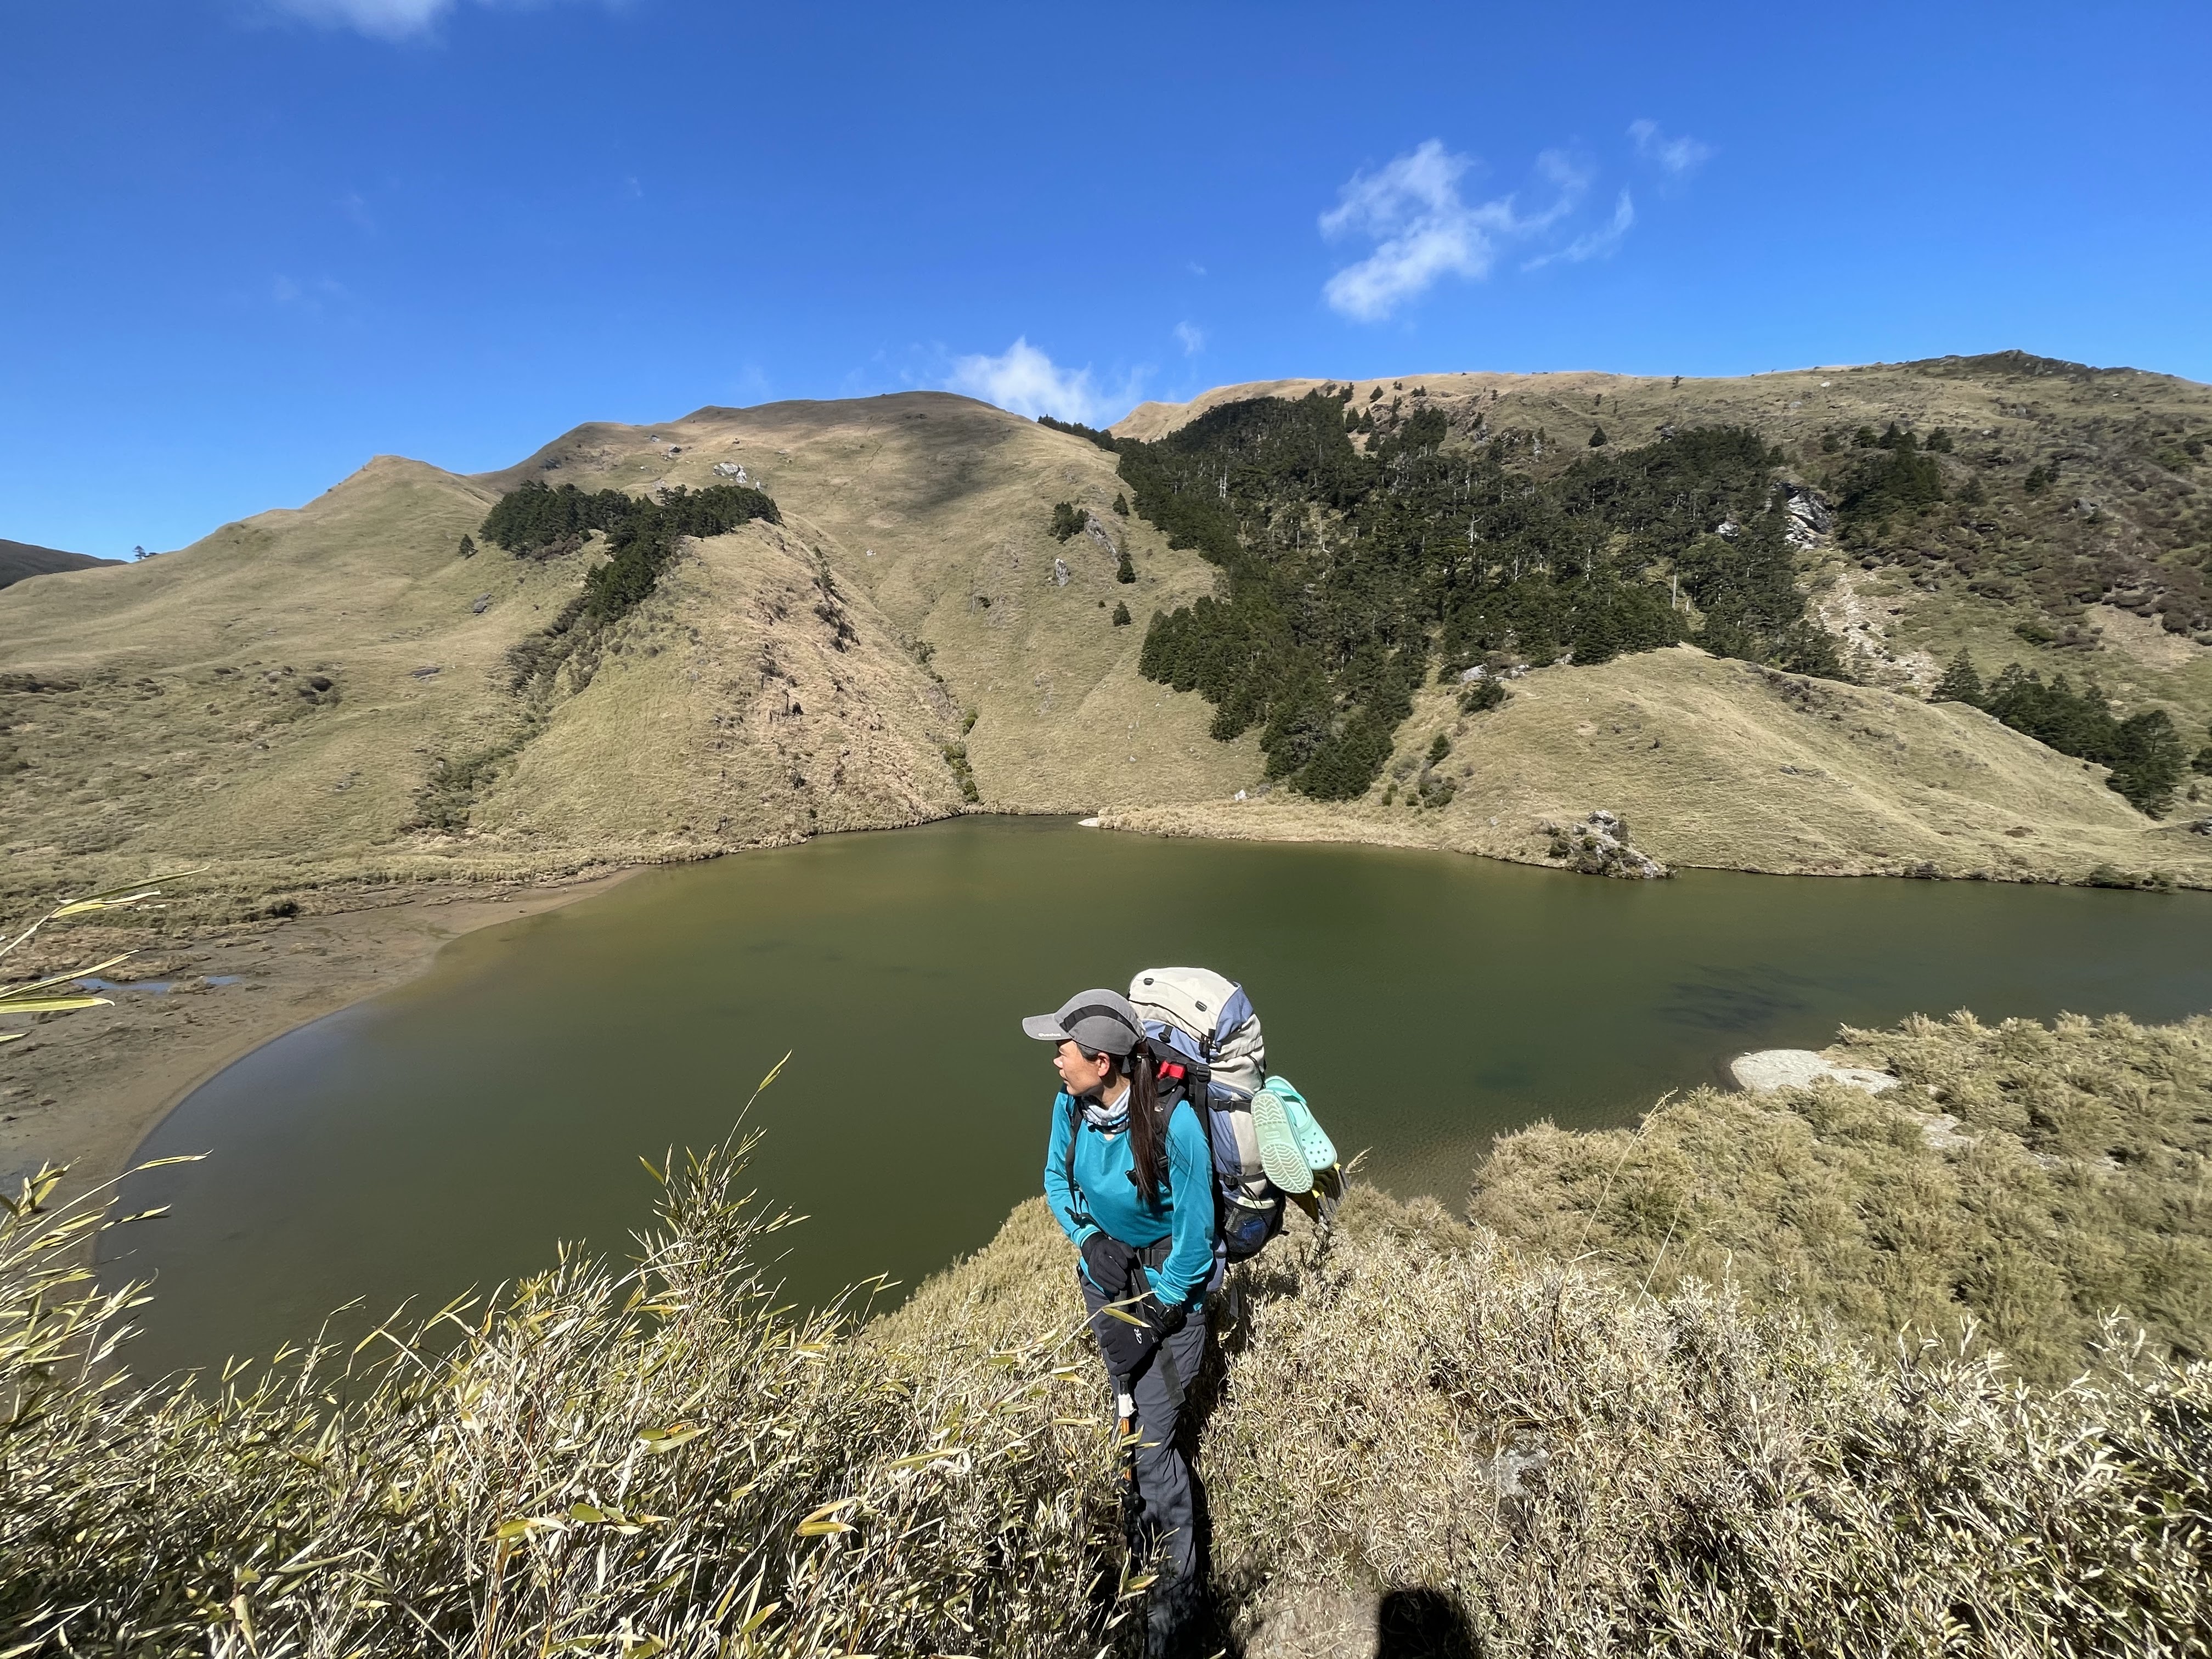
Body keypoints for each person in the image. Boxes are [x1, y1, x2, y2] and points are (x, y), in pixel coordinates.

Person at [1024, 988, 1217, 1658]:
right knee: (1127, 1420)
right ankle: (1141, 1550)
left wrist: (1161, 1307)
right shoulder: (1071, 1106)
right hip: (1107, 1287)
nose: (1056, 1061)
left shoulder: (1174, 1123)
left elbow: (1197, 1235)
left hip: (1169, 1298)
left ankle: (1175, 1612)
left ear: (1101, 1062)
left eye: (1064, 1051)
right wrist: (1087, 1239)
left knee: (1153, 1447)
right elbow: (1056, 1181)